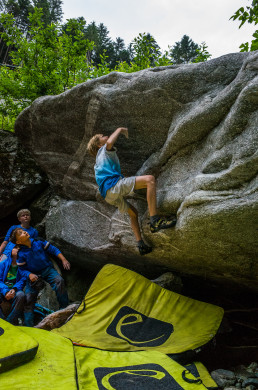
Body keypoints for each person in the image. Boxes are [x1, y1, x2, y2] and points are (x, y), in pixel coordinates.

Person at [87, 127, 176, 256]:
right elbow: (110, 142)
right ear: (99, 144)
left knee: (133, 213)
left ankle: (140, 244)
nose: (106, 136)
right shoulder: (103, 151)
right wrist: (120, 129)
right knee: (150, 180)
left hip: (108, 195)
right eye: (102, 136)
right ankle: (155, 221)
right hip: (113, 186)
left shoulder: (98, 163)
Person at [10, 228, 71, 327]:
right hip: (33, 276)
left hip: (47, 270)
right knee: (28, 299)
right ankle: (28, 325)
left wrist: (63, 259)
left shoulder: (38, 240)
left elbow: (53, 249)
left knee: (59, 281)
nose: (24, 232)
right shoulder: (21, 253)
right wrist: (29, 274)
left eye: (23, 230)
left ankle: (64, 309)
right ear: (18, 241)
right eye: (20, 233)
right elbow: (21, 269)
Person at [0, 246, 27, 325]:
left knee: (21, 295)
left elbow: (23, 280)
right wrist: (5, 291)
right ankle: (1, 320)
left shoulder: (23, 266)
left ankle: (10, 321)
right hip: (3, 290)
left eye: (20, 249)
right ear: (11, 249)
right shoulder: (3, 264)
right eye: (16, 248)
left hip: (15, 291)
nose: (18, 250)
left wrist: (14, 289)